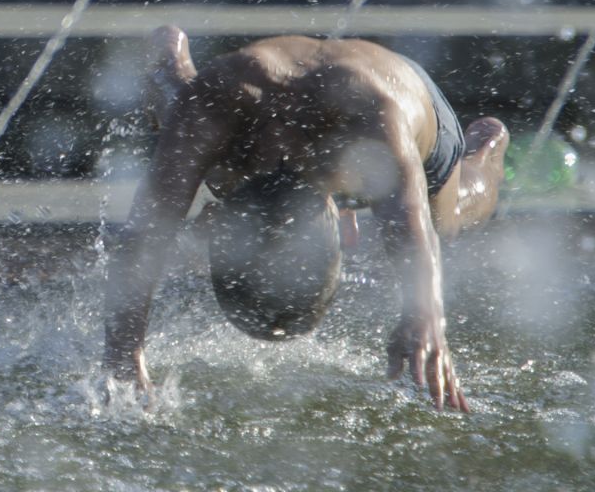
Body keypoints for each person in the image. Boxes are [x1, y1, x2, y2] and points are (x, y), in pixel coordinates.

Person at [103, 26, 510, 412]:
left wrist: (424, 316)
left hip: (399, 92)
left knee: (447, 221)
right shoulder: (215, 112)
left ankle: (485, 150)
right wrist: (124, 352)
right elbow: (144, 235)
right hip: (260, 111)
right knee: (202, 134)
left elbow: (410, 218)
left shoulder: (371, 116)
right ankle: (167, 70)